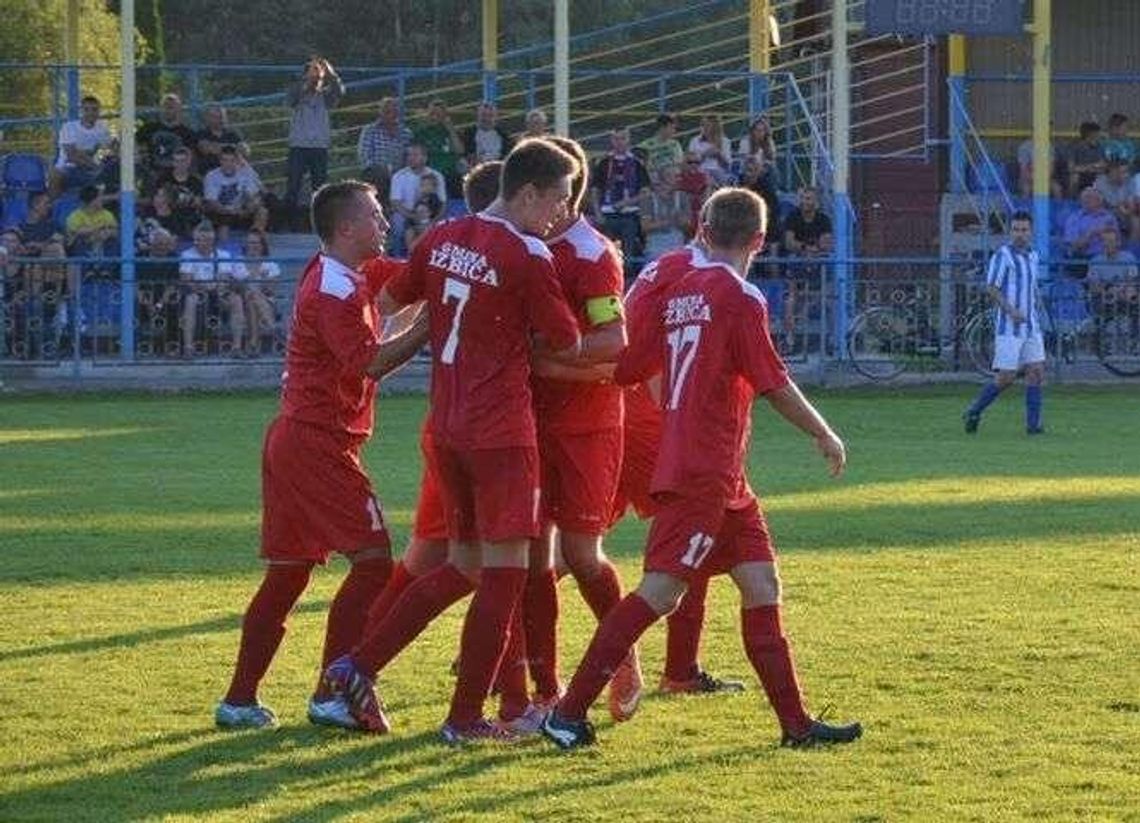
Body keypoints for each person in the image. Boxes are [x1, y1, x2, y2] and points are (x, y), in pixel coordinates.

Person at [540, 187, 862, 749]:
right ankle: (567, 712)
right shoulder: (741, 297)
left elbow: (628, 367)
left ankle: (796, 725)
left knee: (762, 583)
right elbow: (773, 382)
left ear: (704, 232)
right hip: (702, 469)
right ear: (760, 240)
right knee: (661, 592)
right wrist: (823, 432)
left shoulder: (677, 289)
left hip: (719, 471)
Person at [320, 139, 582, 744]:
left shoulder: (444, 236)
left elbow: (387, 299)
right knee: (506, 575)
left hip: (449, 427)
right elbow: (566, 340)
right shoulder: (529, 253)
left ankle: (356, 665)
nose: (560, 215)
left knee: (463, 565)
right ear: (527, 193)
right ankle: (465, 718)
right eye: (557, 201)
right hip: (501, 434)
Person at [215, 180, 429, 729]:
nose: (385, 225)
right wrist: (429, 325)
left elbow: (408, 280)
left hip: (294, 439)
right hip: (317, 442)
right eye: (376, 217)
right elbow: (370, 363)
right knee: (375, 561)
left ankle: (239, 700)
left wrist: (448, 266)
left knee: (286, 575)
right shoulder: (332, 290)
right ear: (346, 229)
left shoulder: (344, 272)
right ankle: (332, 694)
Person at [963, 211, 1046, 436]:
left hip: (1031, 326)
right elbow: (991, 287)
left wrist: (1035, 308)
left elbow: (1031, 288)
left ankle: (1033, 426)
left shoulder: (1033, 256)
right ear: (1010, 231)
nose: (1020, 234)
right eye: (1016, 229)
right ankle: (974, 410)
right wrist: (1011, 310)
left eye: (1024, 230)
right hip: (1009, 327)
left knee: (1036, 371)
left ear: (1031, 232)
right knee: (1006, 377)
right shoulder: (1003, 255)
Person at [285, 56, 344, 227]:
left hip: (319, 147)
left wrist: (329, 72)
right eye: (312, 75)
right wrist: (306, 82)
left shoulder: (325, 97)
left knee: (320, 189)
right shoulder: (297, 93)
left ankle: (319, 224)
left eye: (318, 76)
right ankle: (289, 223)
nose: (316, 79)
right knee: (293, 186)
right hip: (298, 146)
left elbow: (339, 90)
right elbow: (291, 100)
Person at [178, 220, 243, 357]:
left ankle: (237, 347)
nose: (201, 243)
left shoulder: (223, 255)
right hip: (197, 292)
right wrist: (203, 286)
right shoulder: (187, 255)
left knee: (236, 299)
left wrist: (219, 286)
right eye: (198, 240)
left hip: (218, 293)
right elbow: (186, 280)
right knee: (191, 300)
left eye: (206, 240)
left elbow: (225, 278)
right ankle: (188, 347)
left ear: (212, 240)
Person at [591, 127, 651, 263]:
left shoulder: (636, 163)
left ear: (628, 139)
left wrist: (626, 203)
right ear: (612, 140)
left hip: (630, 216)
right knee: (606, 256)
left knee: (627, 257)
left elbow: (645, 193)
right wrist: (597, 213)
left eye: (623, 138)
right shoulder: (604, 162)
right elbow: (595, 190)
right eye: (617, 139)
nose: (620, 142)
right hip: (607, 215)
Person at [231, 229, 281, 356]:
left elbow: (271, 289)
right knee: (251, 296)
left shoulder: (270, 264)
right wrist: (258, 278)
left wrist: (252, 283)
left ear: (262, 245)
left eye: (256, 243)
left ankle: (253, 344)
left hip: (266, 302)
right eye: (250, 243)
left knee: (253, 297)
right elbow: (235, 285)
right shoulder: (237, 262)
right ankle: (273, 330)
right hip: (241, 301)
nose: (252, 246)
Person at [203, 145, 269, 241]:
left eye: (232, 160)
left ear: (237, 161)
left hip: (241, 210)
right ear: (219, 161)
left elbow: (253, 195)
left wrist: (249, 207)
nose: (228, 164)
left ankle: (255, 242)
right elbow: (212, 203)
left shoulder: (245, 173)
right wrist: (229, 211)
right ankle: (223, 249)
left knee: (262, 212)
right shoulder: (211, 176)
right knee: (224, 224)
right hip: (221, 212)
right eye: (225, 160)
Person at [50, 94, 113, 195]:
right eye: (87, 109)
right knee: (57, 174)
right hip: (68, 168)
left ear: (98, 111)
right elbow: (71, 156)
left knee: (112, 177)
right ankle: (52, 206)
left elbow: (112, 147)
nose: (90, 113)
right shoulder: (69, 127)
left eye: (94, 109)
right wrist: (96, 167)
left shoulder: (102, 129)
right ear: (82, 111)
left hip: (90, 171)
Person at [413, 99, 467, 198]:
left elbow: (460, 150)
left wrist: (450, 129)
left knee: (460, 182)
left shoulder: (450, 132)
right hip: (430, 173)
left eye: (438, 114)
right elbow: (416, 157)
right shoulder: (421, 133)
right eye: (432, 113)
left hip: (451, 173)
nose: (434, 117)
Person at [137, 93, 196, 176]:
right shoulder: (148, 129)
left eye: (172, 107)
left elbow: (190, 158)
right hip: (152, 174)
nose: (168, 110)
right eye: (166, 106)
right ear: (160, 108)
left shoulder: (187, 133)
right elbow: (136, 147)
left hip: (176, 176)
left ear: (179, 109)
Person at [357, 97, 412, 179]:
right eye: (387, 112)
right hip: (375, 174)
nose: (391, 115)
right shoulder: (370, 130)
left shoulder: (406, 133)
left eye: (394, 112)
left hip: (399, 175)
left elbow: (408, 157)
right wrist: (379, 171)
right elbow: (364, 156)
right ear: (381, 113)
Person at [194, 104, 249, 174]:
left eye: (221, 117)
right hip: (211, 171)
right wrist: (233, 148)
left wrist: (219, 147)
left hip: (233, 171)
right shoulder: (202, 134)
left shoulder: (232, 133)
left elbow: (245, 150)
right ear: (208, 118)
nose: (219, 120)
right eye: (214, 117)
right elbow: (206, 149)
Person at [462, 101, 513, 167]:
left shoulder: (503, 135)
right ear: (477, 116)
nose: (487, 119)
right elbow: (465, 154)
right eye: (483, 115)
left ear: (496, 117)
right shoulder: (469, 133)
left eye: (490, 115)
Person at [637, 113, 684, 183]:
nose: (674, 131)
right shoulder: (646, 145)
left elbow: (680, 163)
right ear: (662, 127)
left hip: (672, 181)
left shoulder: (675, 144)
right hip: (655, 182)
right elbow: (641, 164)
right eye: (671, 127)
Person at [687, 115, 732, 185]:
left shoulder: (725, 141)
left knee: (722, 178)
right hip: (700, 171)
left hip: (719, 172)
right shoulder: (694, 141)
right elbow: (690, 163)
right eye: (702, 125)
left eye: (707, 126)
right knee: (706, 178)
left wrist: (719, 155)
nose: (703, 128)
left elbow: (728, 166)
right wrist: (704, 155)